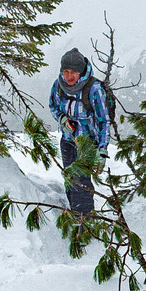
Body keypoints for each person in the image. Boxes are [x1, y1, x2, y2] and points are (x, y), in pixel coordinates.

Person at [47, 47, 113, 215]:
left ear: (81, 72)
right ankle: (75, 215)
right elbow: (53, 106)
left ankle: (85, 221)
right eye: (66, 71)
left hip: (87, 144)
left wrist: (102, 150)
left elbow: (104, 121)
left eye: (73, 73)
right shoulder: (59, 85)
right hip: (68, 141)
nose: (69, 77)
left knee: (81, 185)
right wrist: (62, 118)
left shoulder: (94, 89)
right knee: (70, 180)